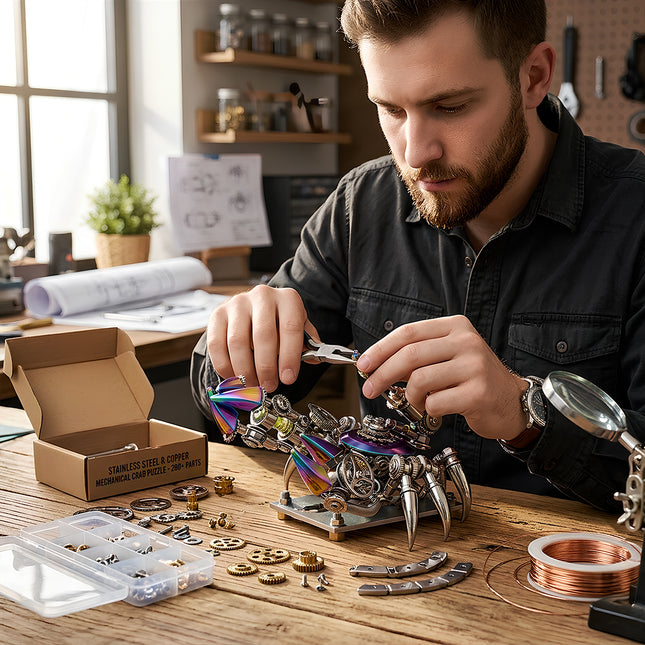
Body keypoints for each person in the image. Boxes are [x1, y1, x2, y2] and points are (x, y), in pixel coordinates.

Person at [191, 0, 645, 513]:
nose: (414, 153)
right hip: (379, 575)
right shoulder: (360, 205)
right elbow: (224, 409)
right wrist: (234, 350)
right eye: (391, 109)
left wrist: (525, 414)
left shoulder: (636, 217)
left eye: (450, 107)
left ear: (534, 77)